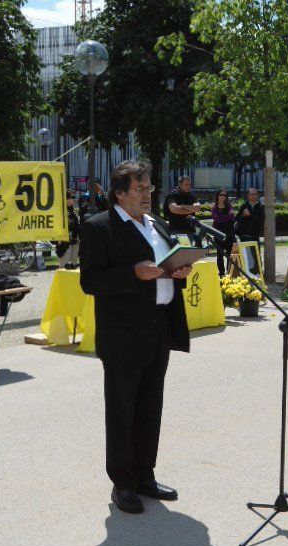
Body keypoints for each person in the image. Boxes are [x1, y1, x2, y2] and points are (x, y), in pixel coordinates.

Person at [79, 160, 192, 514]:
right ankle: (123, 483)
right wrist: (132, 273)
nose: (147, 195)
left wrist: (179, 271)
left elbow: (165, 267)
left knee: (150, 407)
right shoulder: (99, 227)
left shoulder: (158, 224)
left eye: (149, 188)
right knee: (122, 411)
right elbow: (90, 281)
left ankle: (145, 475)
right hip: (123, 336)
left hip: (159, 329)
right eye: (139, 189)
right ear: (120, 194)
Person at [163, 175, 202, 246]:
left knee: (187, 251)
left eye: (189, 184)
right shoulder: (172, 194)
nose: (188, 187)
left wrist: (182, 206)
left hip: (190, 230)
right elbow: (174, 209)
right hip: (177, 230)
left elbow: (198, 207)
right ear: (180, 184)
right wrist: (191, 209)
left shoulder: (192, 195)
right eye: (186, 184)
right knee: (181, 251)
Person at [211, 189, 236, 276]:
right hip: (218, 234)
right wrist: (228, 216)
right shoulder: (214, 207)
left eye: (225, 195)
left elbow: (232, 218)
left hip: (229, 233)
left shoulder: (229, 206)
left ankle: (229, 272)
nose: (223, 197)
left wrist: (223, 217)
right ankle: (221, 272)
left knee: (230, 254)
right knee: (220, 254)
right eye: (221, 195)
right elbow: (217, 219)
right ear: (218, 196)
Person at [56, 190, 80, 267]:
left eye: (74, 197)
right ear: (65, 199)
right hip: (65, 242)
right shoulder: (60, 211)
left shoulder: (73, 210)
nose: (74, 199)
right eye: (72, 197)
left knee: (73, 266)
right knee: (64, 266)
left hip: (75, 241)